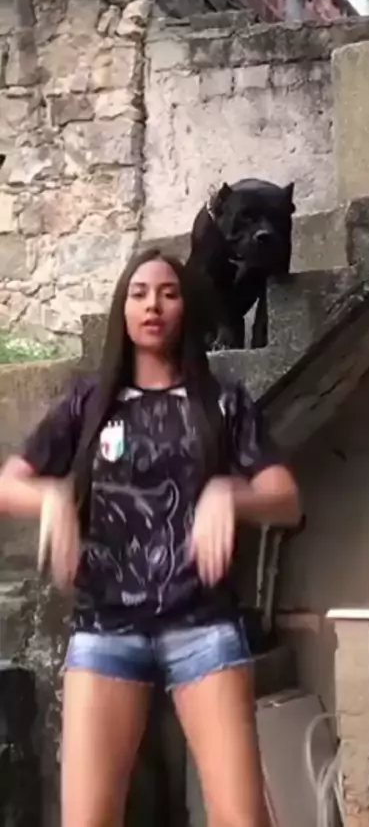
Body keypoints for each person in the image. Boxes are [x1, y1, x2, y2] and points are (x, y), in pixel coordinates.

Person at [0, 245, 301, 827]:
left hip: (203, 625)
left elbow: (286, 497)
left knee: (242, 818)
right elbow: (8, 485)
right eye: (139, 294)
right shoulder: (89, 403)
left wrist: (229, 493)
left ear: (186, 307)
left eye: (167, 293)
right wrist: (53, 498)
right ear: (123, 309)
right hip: (105, 627)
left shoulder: (222, 401)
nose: (153, 306)